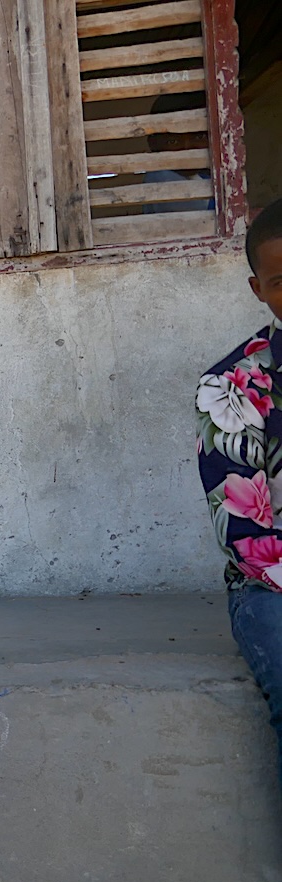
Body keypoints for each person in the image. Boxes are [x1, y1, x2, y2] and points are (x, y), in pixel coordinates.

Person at [195, 197, 282, 791]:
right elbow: (247, 541)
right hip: (271, 591)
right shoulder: (230, 388)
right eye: (281, 281)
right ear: (258, 289)